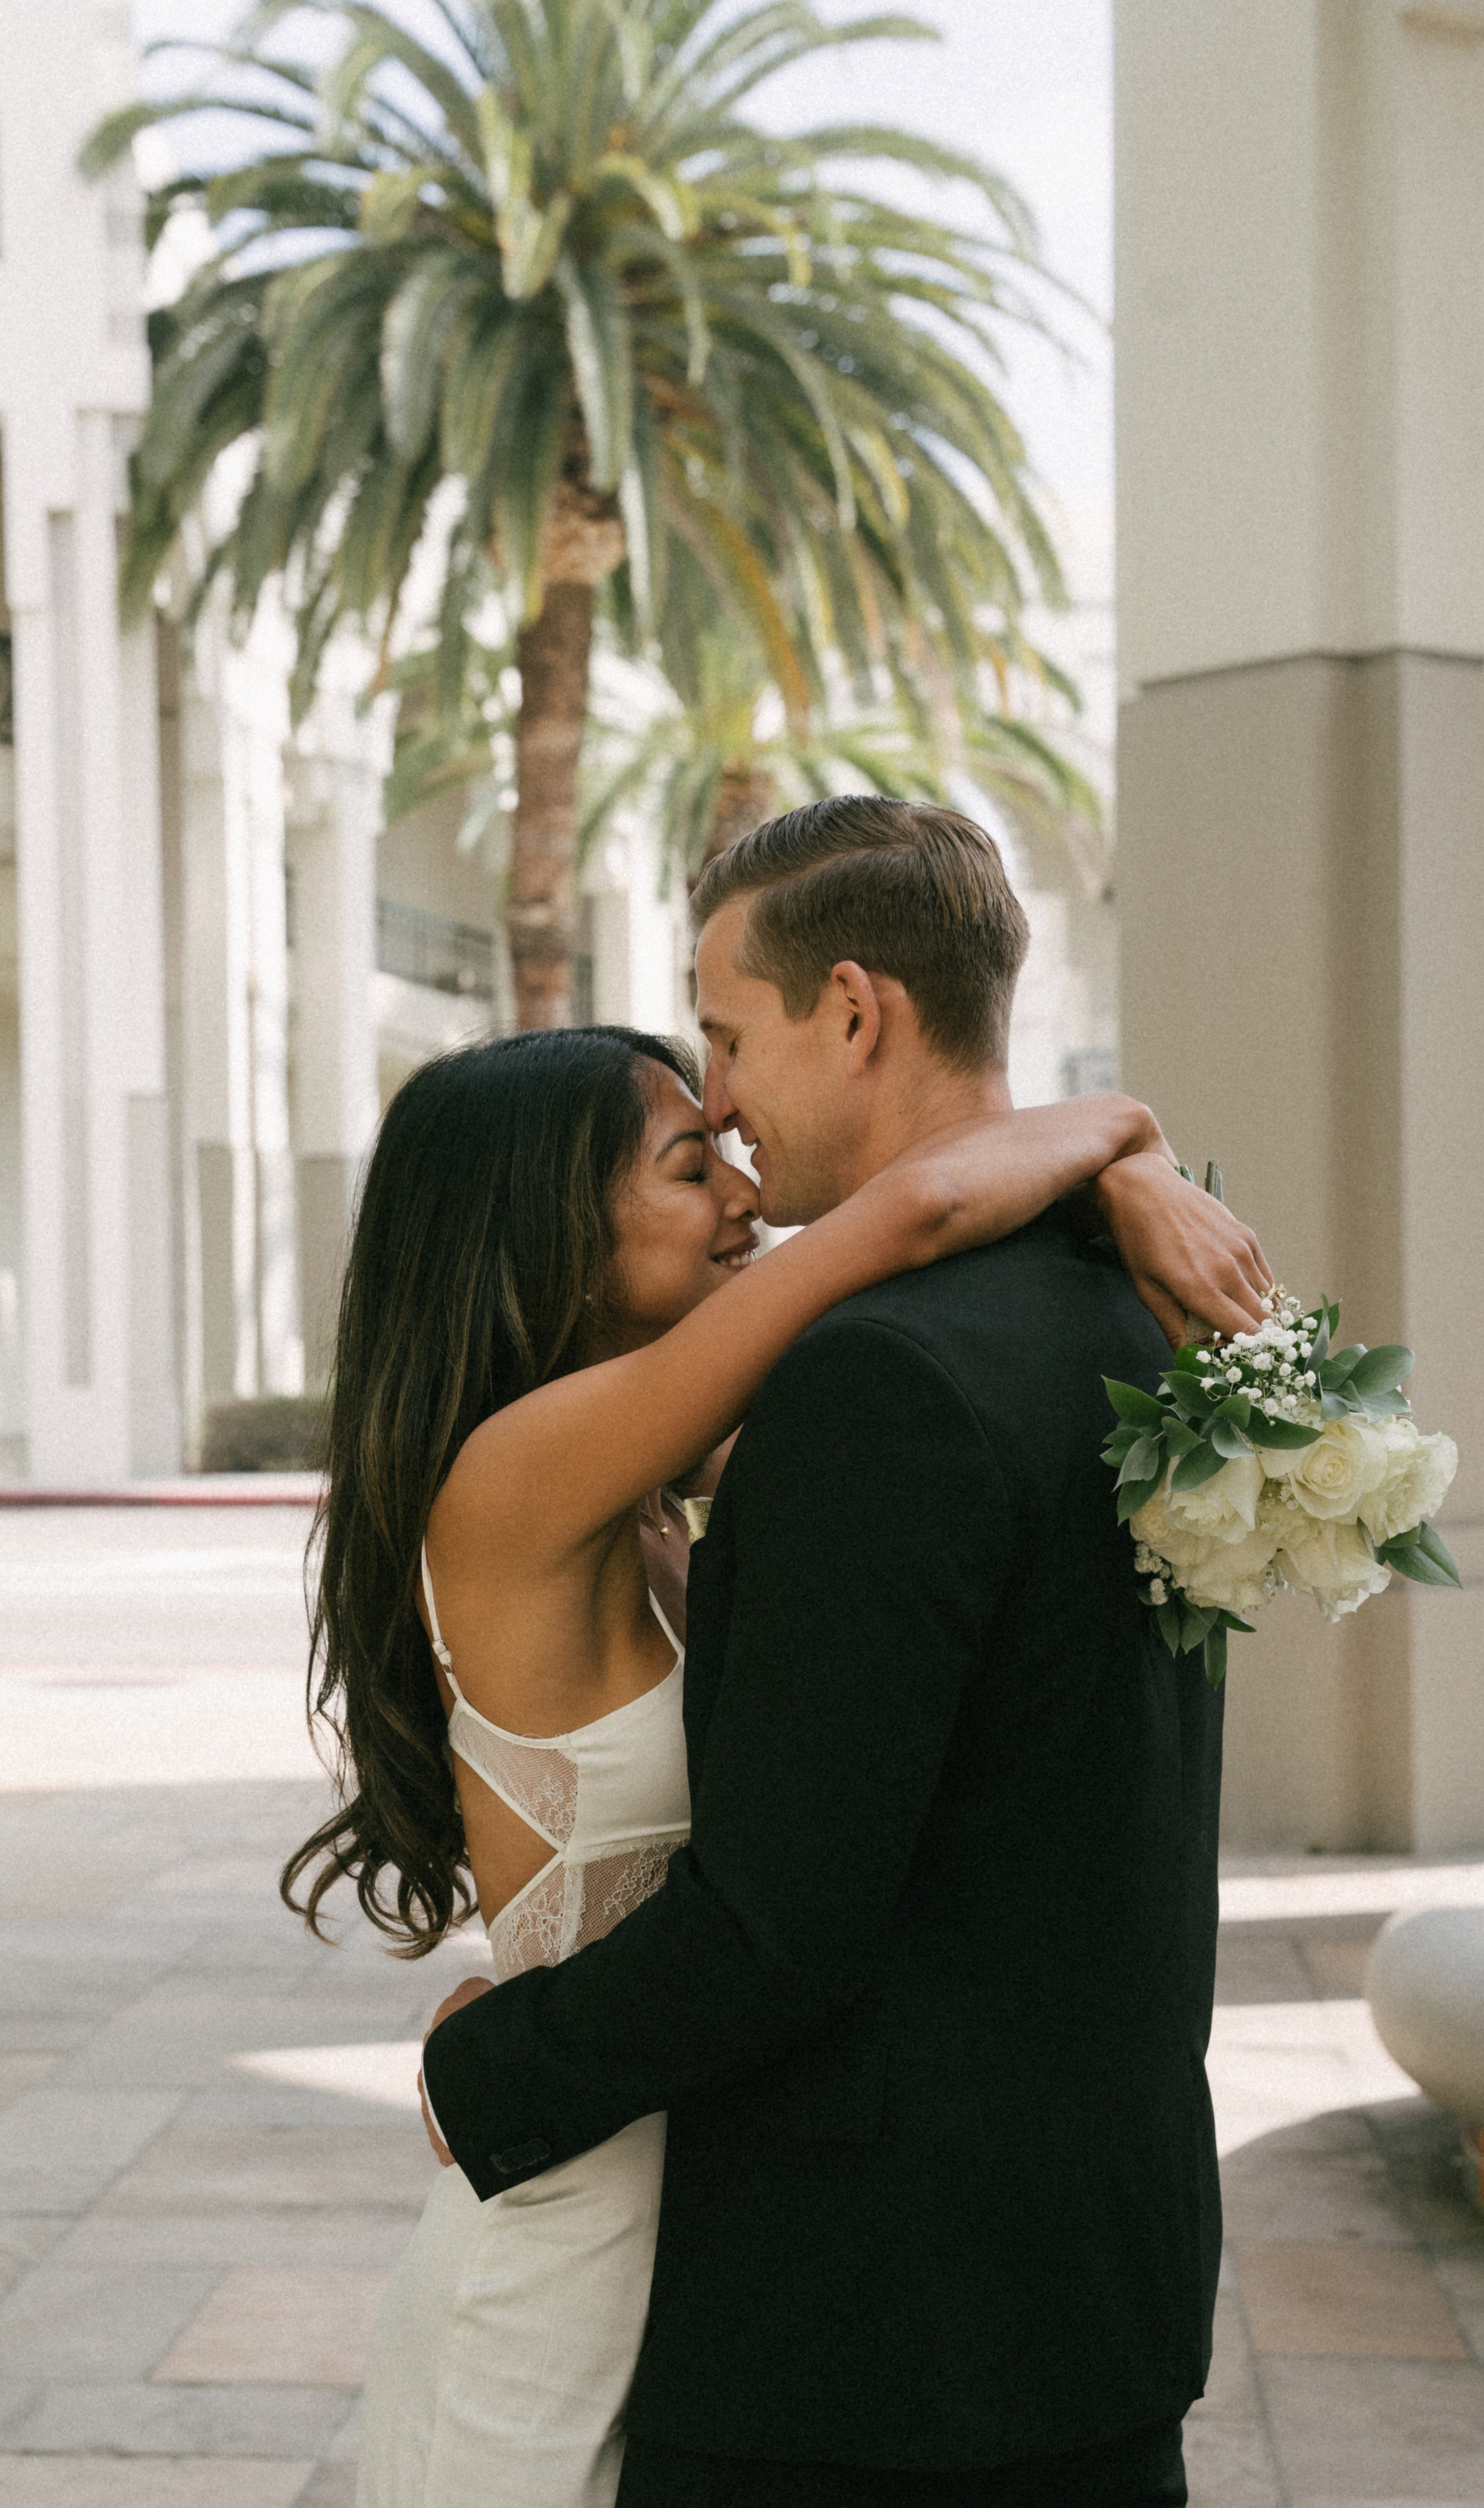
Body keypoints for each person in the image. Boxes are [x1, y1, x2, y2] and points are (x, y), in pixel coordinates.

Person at [413, 800, 1263, 2507]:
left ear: (856, 1009)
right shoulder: (1127, 1310)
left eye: (727, 1037)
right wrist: (1125, 1151)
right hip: (1085, 2269)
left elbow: (783, 1925)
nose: (720, 1108)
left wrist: (480, 2068)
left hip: (878, 2339)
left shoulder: (878, 1383)